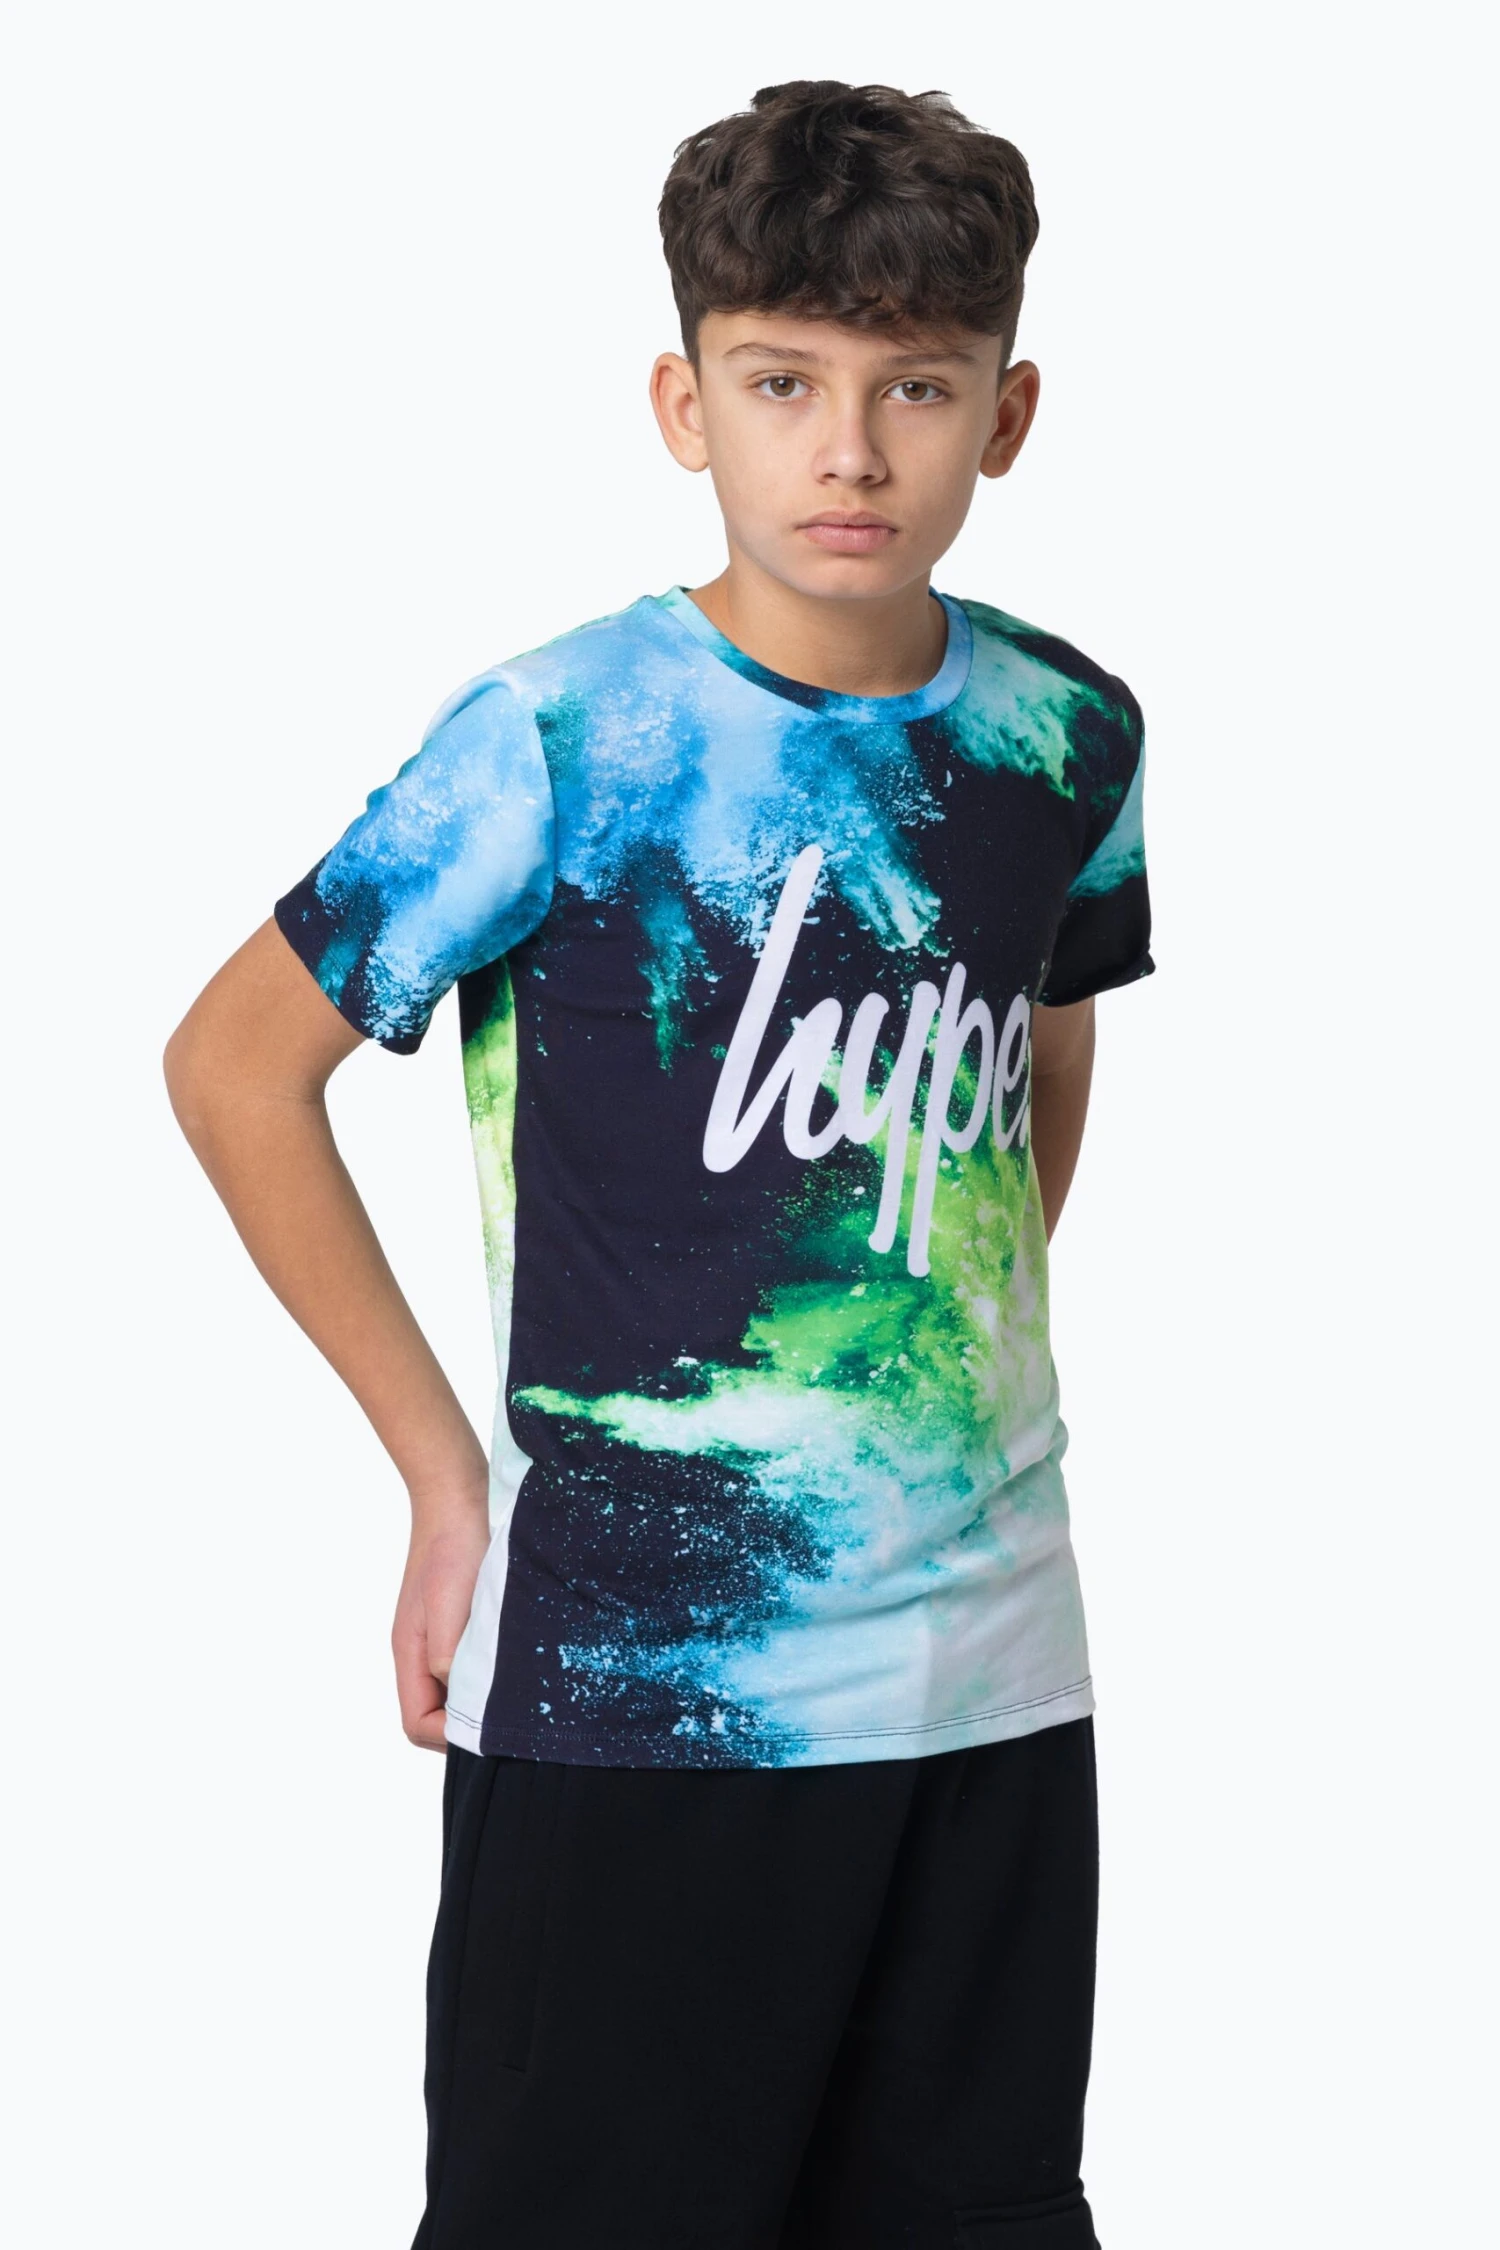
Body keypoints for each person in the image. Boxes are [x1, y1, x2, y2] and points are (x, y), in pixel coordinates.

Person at [166, 78, 1153, 2250]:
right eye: (783, 383)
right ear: (684, 403)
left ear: (1008, 413)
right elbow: (236, 1068)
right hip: (644, 1694)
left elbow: (1034, 1052)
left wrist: (932, 1352)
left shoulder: (1067, 735)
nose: (850, 450)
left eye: (917, 387)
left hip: (997, 1679)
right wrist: (446, 1479)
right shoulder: (561, 738)